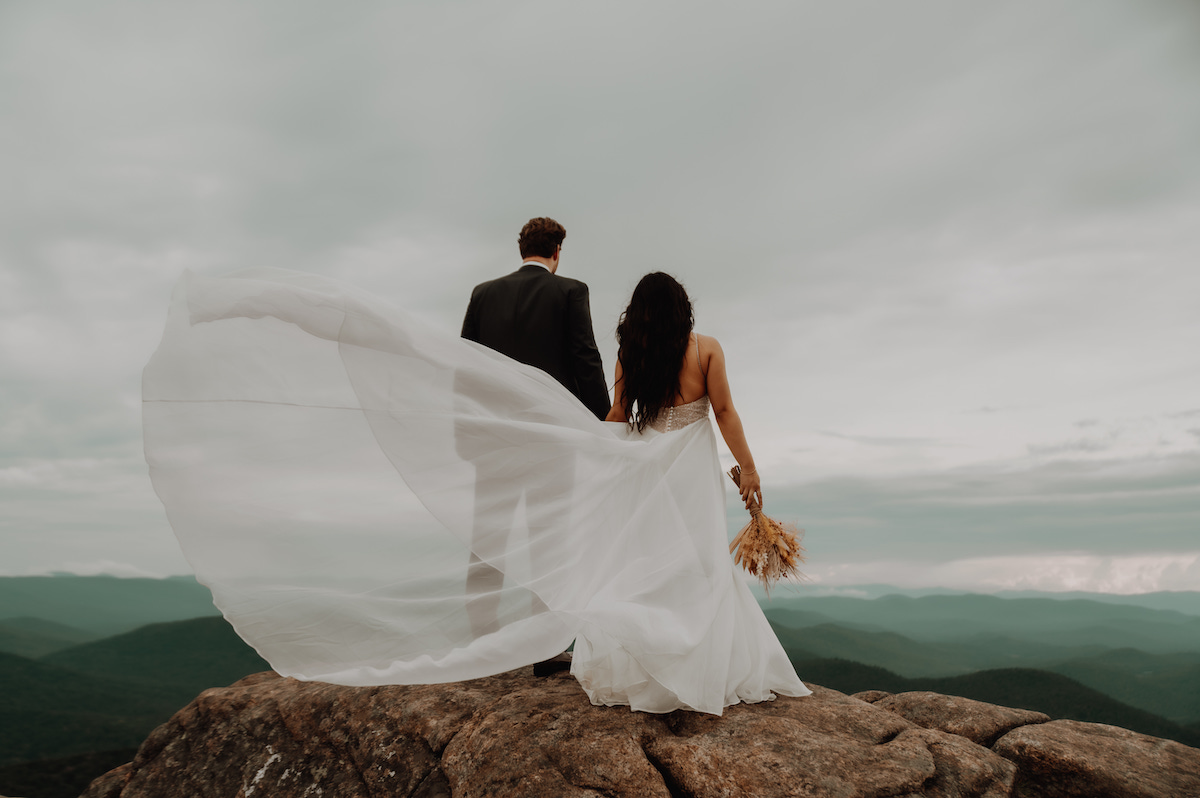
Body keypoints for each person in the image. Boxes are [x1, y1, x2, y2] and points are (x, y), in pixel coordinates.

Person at [142, 265, 809, 716]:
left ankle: (652, 670)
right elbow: (723, 416)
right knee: (694, 565)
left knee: (645, 561)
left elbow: (616, 417)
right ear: (685, 310)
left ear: (640, 314)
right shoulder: (710, 349)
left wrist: (579, 447)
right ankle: (703, 670)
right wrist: (747, 472)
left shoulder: (636, 352)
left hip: (641, 467)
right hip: (692, 474)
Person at [457, 218, 610, 659]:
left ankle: (481, 643)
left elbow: (465, 365)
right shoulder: (570, 292)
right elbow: (585, 358)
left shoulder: (483, 294)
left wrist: (465, 433)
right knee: (549, 541)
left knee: (486, 542)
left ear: (521, 248)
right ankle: (544, 648)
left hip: (493, 442)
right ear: (557, 251)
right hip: (551, 442)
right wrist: (605, 422)